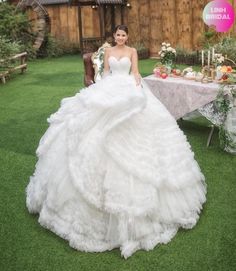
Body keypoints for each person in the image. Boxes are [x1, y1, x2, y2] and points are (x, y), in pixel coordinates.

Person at [26, 25, 207, 259]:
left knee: (141, 122)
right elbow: (106, 74)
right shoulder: (108, 51)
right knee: (93, 128)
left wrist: (138, 83)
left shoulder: (132, 51)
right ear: (114, 37)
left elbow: (135, 72)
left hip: (130, 89)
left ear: (127, 36)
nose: (121, 38)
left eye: (123, 35)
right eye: (118, 35)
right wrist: (102, 89)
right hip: (110, 87)